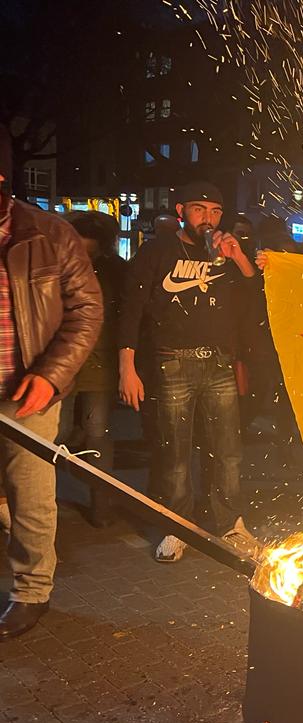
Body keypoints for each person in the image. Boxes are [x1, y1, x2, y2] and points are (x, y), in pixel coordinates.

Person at [118, 181, 259, 563]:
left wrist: (238, 256)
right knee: (175, 453)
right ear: (181, 211)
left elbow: (254, 294)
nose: (208, 219)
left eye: (215, 211)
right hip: (172, 362)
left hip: (219, 363)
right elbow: (131, 307)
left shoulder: (225, 253)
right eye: (199, 209)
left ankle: (230, 523)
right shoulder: (158, 250)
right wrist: (127, 366)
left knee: (228, 451)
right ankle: (177, 526)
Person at [0, 129, 103, 641]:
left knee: (32, 493)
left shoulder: (49, 233)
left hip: (28, 394)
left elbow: (87, 311)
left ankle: (32, 591)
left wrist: (51, 375)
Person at [58, 211, 125, 527]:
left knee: (94, 436)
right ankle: (45, 502)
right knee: (70, 434)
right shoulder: (64, 265)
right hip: (67, 365)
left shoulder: (112, 271)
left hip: (89, 365)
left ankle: (100, 506)